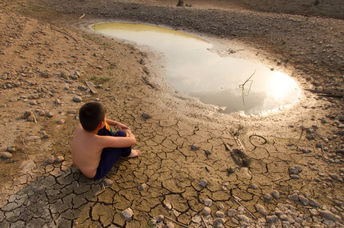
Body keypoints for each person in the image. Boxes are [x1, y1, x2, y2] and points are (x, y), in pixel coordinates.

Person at [71, 102, 140, 180]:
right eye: (104, 118)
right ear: (100, 124)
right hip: (95, 173)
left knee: (103, 127)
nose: (105, 119)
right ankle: (127, 153)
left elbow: (101, 122)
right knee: (122, 134)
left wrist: (115, 123)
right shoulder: (100, 141)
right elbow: (132, 141)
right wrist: (128, 132)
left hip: (78, 165)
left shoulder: (80, 126)